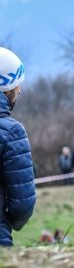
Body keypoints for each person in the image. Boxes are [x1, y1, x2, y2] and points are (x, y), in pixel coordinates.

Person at [0, 47, 36, 246]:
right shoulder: (11, 132)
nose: (19, 90)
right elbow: (23, 204)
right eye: (16, 85)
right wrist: (7, 221)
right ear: (5, 89)